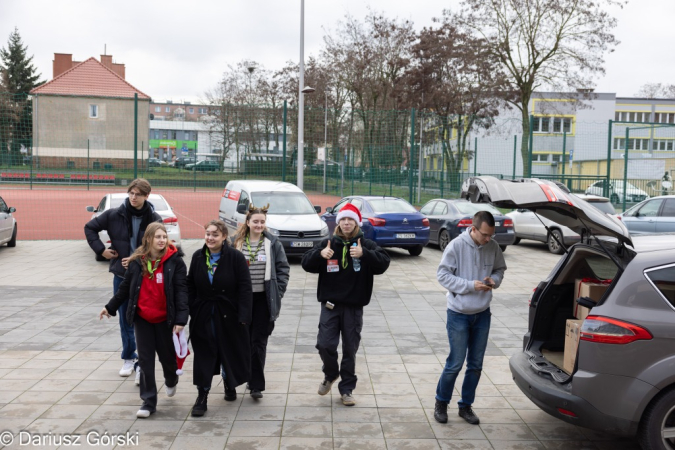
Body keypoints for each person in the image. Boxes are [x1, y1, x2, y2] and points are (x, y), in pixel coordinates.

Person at [301, 203, 390, 406]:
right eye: (343, 219)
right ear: (338, 222)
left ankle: (347, 389)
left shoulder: (365, 244)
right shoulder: (328, 243)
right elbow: (306, 263)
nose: (347, 222)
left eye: (351, 219)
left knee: (350, 350)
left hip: (353, 307)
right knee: (325, 345)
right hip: (330, 305)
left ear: (356, 223)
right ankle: (331, 374)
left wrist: (364, 255)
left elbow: (384, 262)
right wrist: (319, 255)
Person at [98, 223, 188, 418]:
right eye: (158, 237)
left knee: (168, 360)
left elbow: (181, 292)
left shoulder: (175, 262)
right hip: (143, 319)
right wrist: (110, 307)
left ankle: (171, 380)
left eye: (164, 236)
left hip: (166, 320)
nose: (162, 240)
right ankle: (148, 401)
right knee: (145, 361)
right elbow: (125, 288)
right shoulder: (137, 262)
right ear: (148, 239)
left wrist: (181, 319)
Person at [433, 210, 507, 425]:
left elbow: (500, 269)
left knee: (475, 364)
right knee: (455, 363)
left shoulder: (492, 247)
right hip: (458, 314)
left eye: (491, 235)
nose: (488, 239)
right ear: (473, 229)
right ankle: (441, 402)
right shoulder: (456, 245)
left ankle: (465, 406)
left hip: (483, 314)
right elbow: (442, 275)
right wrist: (469, 285)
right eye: (484, 234)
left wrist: (493, 280)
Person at [85, 179, 162, 383]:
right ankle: (129, 357)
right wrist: (102, 250)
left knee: (143, 319)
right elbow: (89, 228)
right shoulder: (113, 214)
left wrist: (138, 259)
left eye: (138, 194)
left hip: (146, 276)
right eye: (131, 193)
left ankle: (142, 363)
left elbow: (160, 247)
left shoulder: (154, 219)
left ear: (147, 196)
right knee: (125, 319)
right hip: (121, 276)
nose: (133, 197)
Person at [187, 220, 252, 417]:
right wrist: (192, 308)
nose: (210, 238)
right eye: (207, 233)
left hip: (228, 315)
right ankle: (202, 395)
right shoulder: (198, 256)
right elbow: (190, 285)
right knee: (205, 354)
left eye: (215, 234)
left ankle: (229, 382)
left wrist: (243, 315)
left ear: (224, 237)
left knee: (228, 352)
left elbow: (245, 288)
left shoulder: (236, 257)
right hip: (204, 315)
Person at [232, 204, 290, 400]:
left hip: (263, 300)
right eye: (255, 221)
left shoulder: (273, 243)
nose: (259, 225)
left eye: (262, 222)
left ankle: (256, 384)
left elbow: (283, 269)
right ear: (247, 223)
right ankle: (239, 376)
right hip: (242, 300)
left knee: (259, 342)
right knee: (242, 341)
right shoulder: (236, 243)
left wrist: (278, 291)